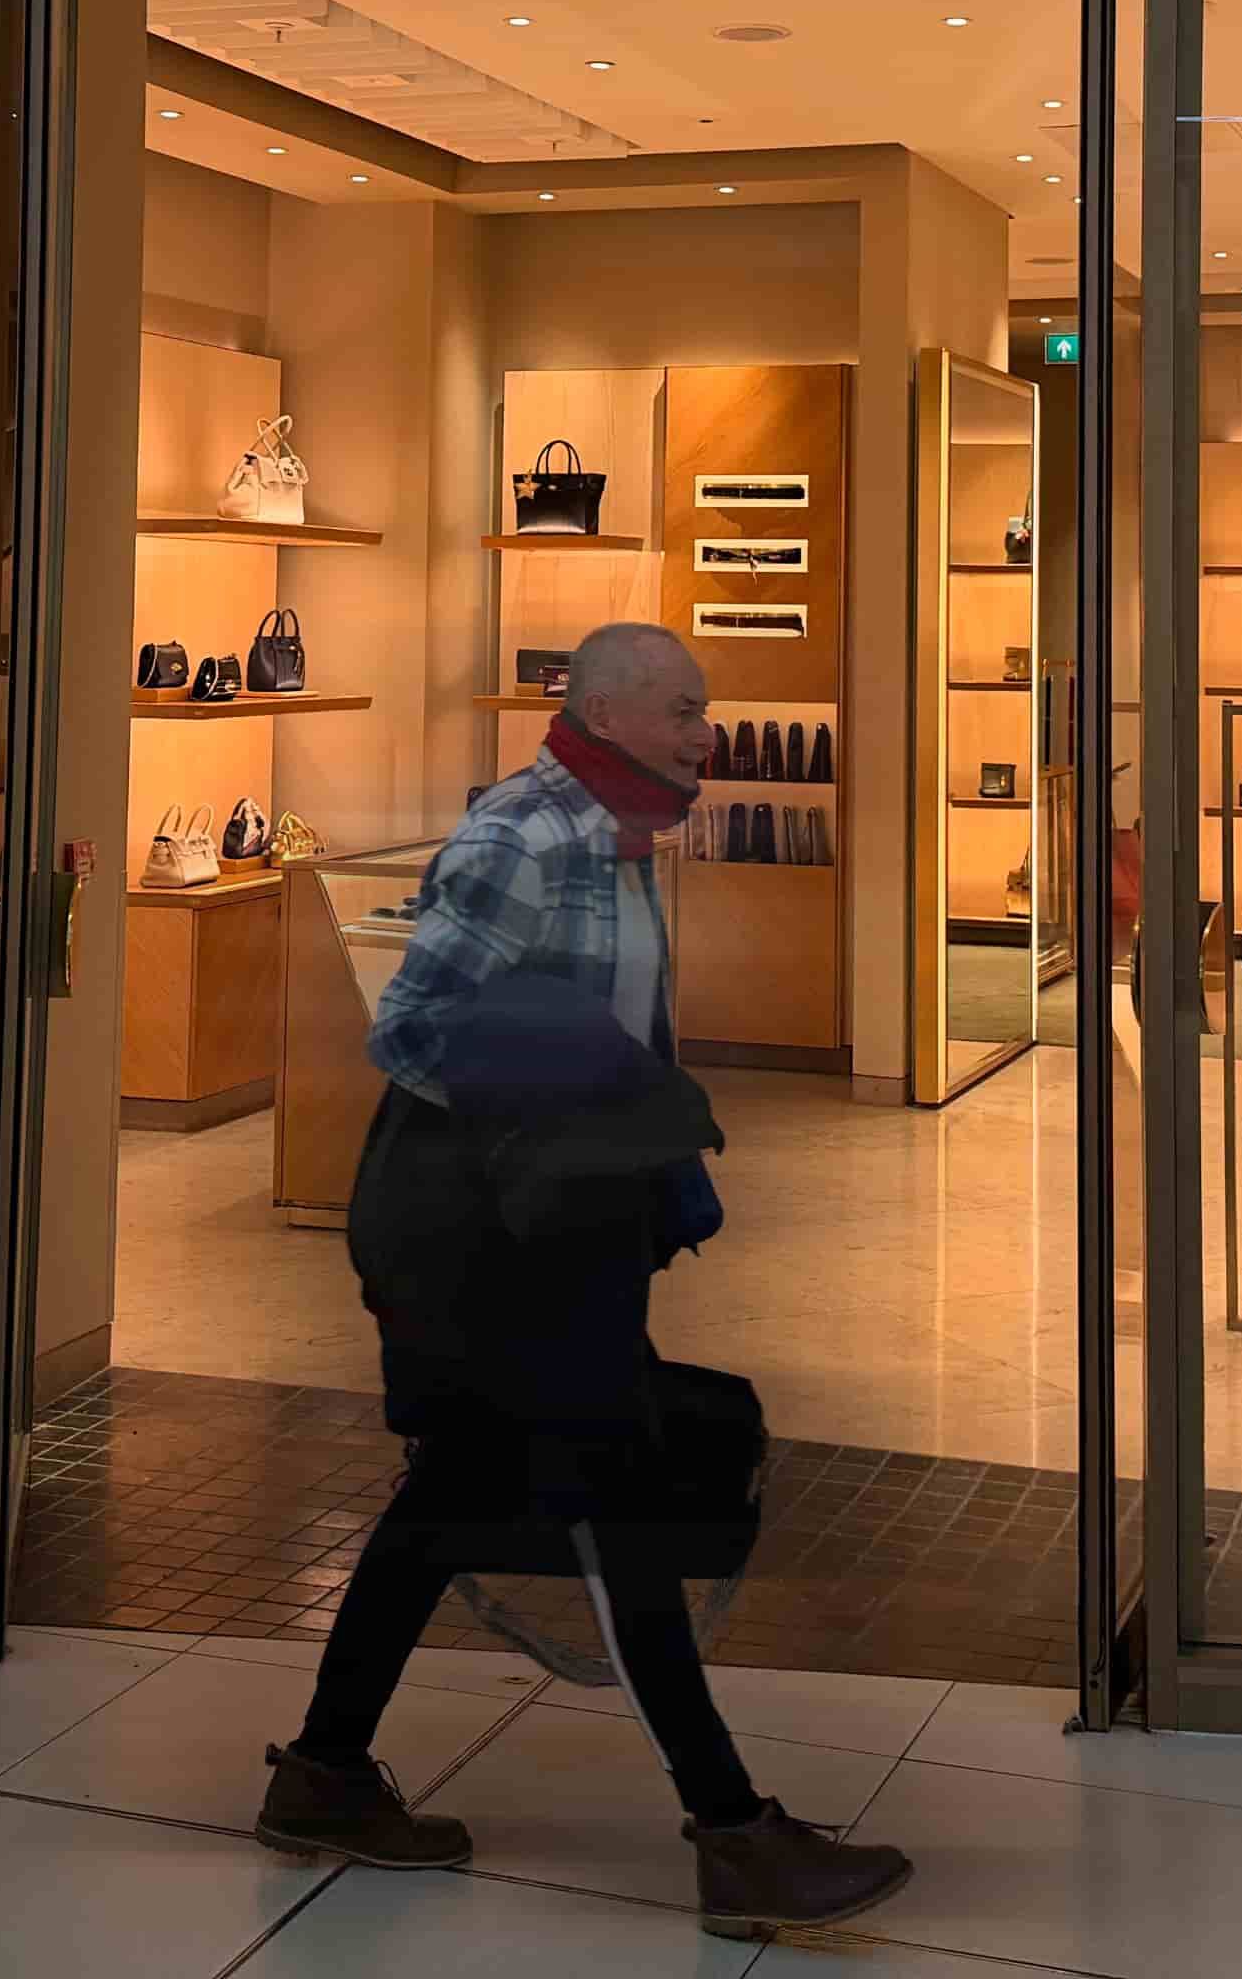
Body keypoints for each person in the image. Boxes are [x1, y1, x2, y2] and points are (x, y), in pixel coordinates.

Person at [255, 620, 914, 1942]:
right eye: (682, 709)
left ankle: (326, 1773)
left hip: (556, 1230)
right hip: (497, 1246)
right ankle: (732, 1833)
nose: (705, 732)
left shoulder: (617, 836)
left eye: (705, 710)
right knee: (617, 1502)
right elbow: (415, 1033)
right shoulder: (524, 838)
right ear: (605, 712)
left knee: (449, 1496)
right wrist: (585, 1117)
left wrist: (622, 1141)